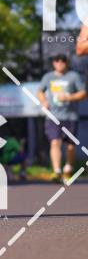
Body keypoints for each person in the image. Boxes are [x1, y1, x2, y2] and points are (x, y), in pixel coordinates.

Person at [37, 53, 86, 182]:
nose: (60, 63)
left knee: (70, 146)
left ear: (66, 63)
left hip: (70, 116)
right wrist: (44, 101)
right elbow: (40, 91)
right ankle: (57, 171)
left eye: (62, 61)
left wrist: (69, 97)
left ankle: (68, 167)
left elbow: (83, 93)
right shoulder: (48, 77)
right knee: (55, 142)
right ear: (53, 63)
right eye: (57, 61)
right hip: (53, 117)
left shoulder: (73, 76)